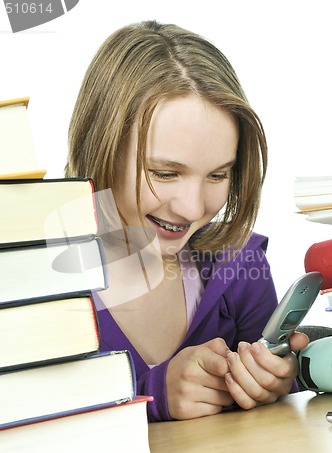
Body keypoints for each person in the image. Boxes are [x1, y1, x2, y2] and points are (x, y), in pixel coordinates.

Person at [65, 20, 308, 422]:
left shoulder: (239, 267)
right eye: (164, 173)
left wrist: (277, 385)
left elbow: (279, 426)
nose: (193, 209)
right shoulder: (32, 282)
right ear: (101, 149)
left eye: (217, 175)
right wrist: (153, 396)